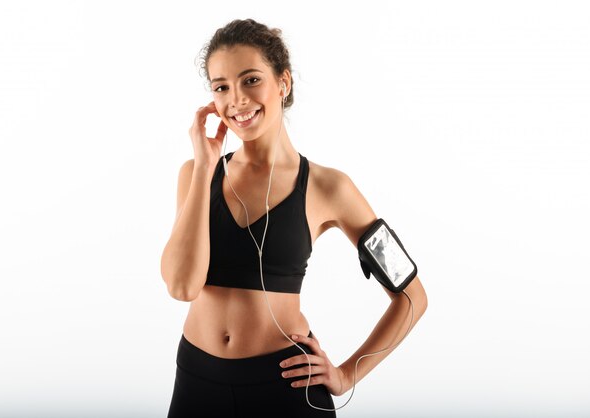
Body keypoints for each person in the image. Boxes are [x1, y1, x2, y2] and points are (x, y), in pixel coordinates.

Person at [160, 18, 428, 418]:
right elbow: (182, 286)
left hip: (285, 385)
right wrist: (203, 168)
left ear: (283, 83)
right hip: (199, 381)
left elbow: (412, 298)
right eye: (221, 87)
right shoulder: (196, 175)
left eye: (250, 80)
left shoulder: (329, 187)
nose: (236, 100)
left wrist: (345, 375)